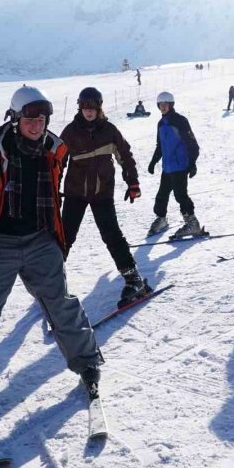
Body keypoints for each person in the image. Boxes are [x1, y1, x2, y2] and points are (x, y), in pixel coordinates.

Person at [0, 85, 104, 424]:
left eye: (42, 119)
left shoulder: (54, 149)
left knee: (61, 304)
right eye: (30, 119)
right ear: (15, 119)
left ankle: (87, 362)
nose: (36, 125)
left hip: (40, 240)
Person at [59, 87, 150, 306]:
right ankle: (51, 280)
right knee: (64, 236)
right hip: (75, 193)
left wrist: (133, 182)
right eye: (84, 107)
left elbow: (125, 156)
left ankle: (133, 278)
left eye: (92, 107)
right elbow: (57, 163)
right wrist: (52, 190)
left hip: (102, 193)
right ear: (79, 108)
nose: (88, 111)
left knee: (112, 234)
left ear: (99, 108)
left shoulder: (109, 131)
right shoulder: (71, 132)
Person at [147, 91, 201, 237]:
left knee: (180, 195)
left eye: (166, 104)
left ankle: (192, 222)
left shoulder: (180, 121)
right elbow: (160, 146)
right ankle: (162, 219)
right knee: (161, 195)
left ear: (171, 105)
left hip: (180, 166)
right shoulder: (160, 124)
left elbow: (193, 144)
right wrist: (153, 162)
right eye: (160, 105)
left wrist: (192, 163)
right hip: (167, 167)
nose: (163, 107)